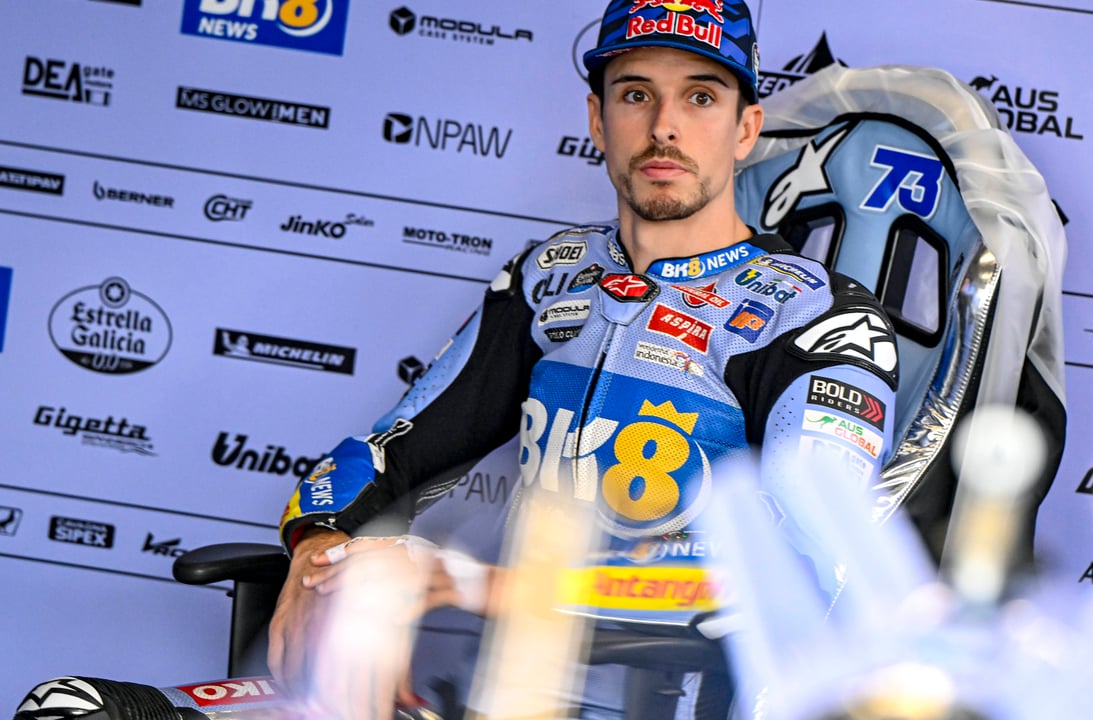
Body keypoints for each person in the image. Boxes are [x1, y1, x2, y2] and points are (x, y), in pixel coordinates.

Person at [268, 0, 900, 717]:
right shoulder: (551, 274)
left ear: (745, 128)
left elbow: (809, 572)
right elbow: (393, 448)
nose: (663, 127)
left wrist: (470, 584)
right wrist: (319, 551)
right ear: (598, 120)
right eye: (636, 95)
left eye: (700, 97)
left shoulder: (818, 317)